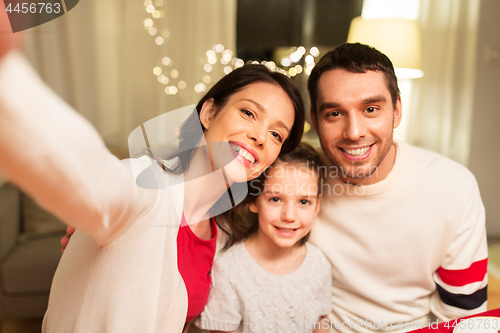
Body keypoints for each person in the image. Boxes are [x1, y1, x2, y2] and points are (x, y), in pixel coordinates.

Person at [0, 35, 305, 332]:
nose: (261, 137)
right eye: (249, 113)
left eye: (277, 134)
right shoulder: (145, 187)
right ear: (209, 112)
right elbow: (85, 172)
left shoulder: (222, 236)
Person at [307, 43, 488, 332]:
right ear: (315, 121)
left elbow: (465, 317)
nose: (354, 132)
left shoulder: (453, 187)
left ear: (397, 110)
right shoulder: (296, 178)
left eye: (371, 109)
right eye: (334, 114)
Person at [194, 143, 332, 333]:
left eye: (304, 202)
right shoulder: (229, 272)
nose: (289, 216)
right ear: (254, 200)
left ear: (317, 206)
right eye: (275, 199)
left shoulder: (318, 264)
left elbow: (321, 322)